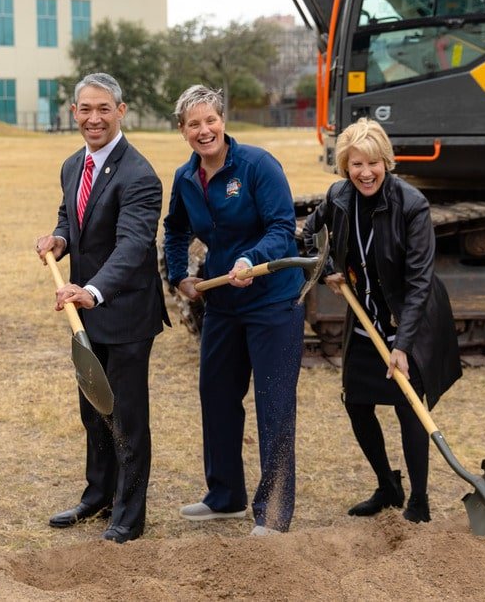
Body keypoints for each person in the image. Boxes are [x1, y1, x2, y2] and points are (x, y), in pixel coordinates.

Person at [302, 118, 462, 523]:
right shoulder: (339, 196)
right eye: (356, 164)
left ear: (386, 162)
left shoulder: (411, 204)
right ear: (345, 167)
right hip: (366, 316)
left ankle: (419, 503)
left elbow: (420, 280)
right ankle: (388, 486)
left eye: (373, 163)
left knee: (410, 408)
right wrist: (325, 270)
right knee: (357, 403)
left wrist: (402, 345)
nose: (365, 172)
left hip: (412, 317)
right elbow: (306, 234)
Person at [163, 85, 304, 535]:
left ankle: (275, 513)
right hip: (222, 304)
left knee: (274, 404)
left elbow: (284, 227)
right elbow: (175, 229)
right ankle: (225, 497)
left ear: (223, 121)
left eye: (210, 120)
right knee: (218, 397)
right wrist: (178, 274)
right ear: (182, 130)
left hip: (273, 302)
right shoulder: (186, 179)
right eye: (193, 124)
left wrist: (251, 260)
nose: (204, 131)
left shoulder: (258, 166)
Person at [34, 72, 167, 544]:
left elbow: (133, 247)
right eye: (85, 110)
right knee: (94, 409)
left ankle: (129, 516)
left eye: (103, 109)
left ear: (121, 111)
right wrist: (60, 237)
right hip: (85, 312)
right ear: (74, 113)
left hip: (125, 314)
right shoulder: (74, 165)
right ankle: (99, 496)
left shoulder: (140, 175)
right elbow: (74, 217)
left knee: (126, 418)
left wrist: (92, 289)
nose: (93, 118)